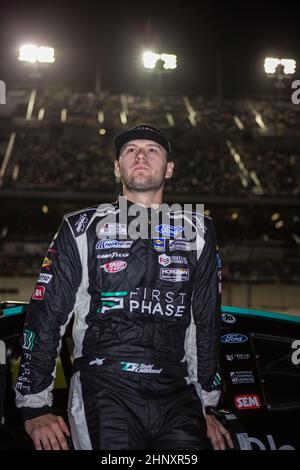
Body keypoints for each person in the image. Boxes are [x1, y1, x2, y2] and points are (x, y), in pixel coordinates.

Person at [15, 123, 233, 451]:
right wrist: (35, 405)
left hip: (176, 392)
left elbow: (205, 322)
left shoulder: (199, 230)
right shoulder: (80, 227)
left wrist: (205, 404)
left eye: (152, 150)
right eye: (130, 150)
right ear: (118, 167)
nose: (140, 155)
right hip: (104, 386)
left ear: (169, 168)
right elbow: (47, 315)